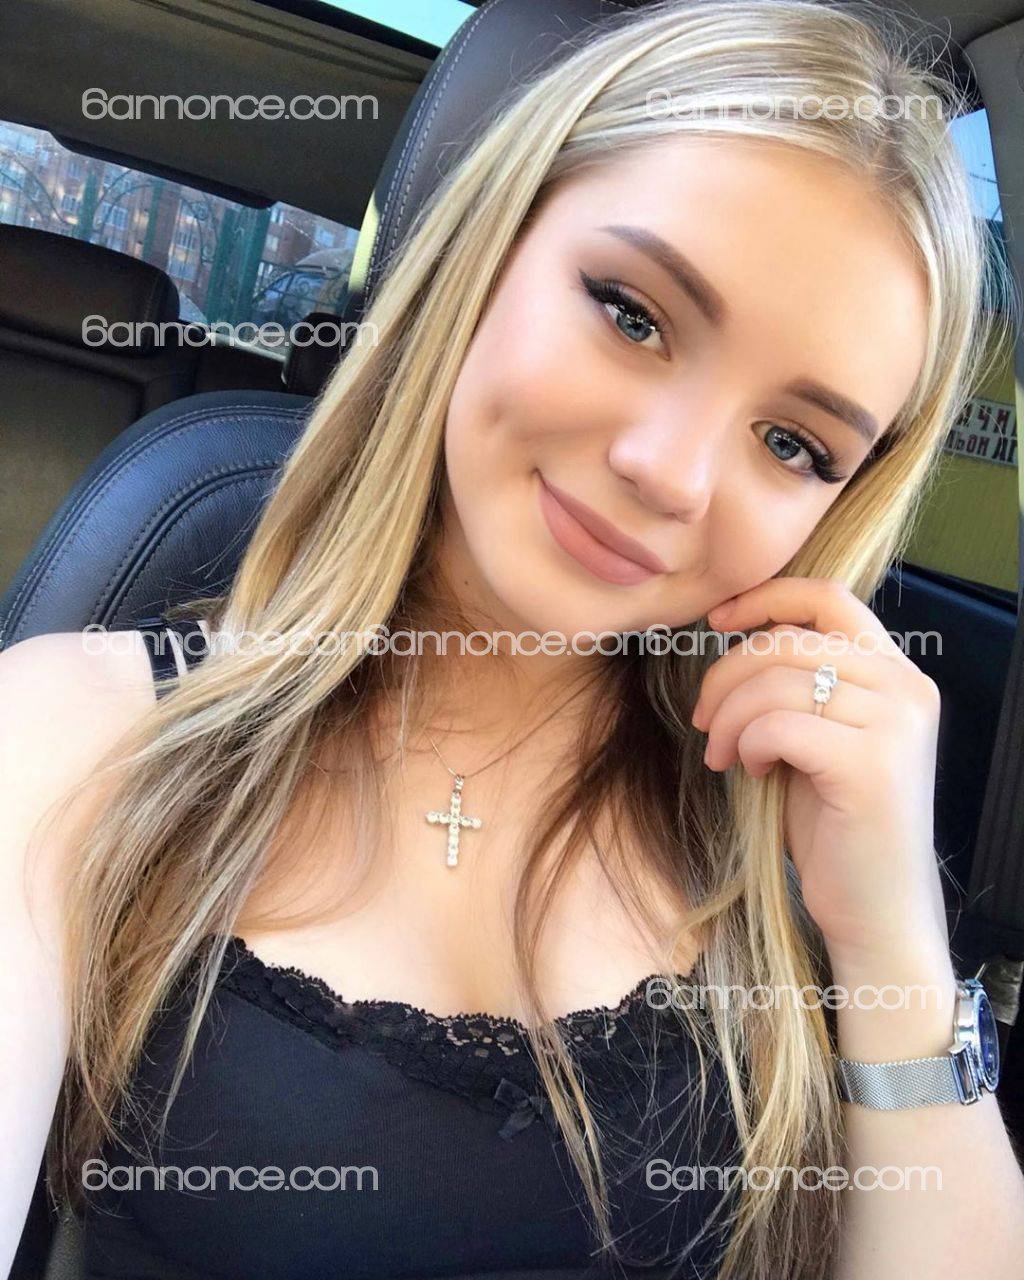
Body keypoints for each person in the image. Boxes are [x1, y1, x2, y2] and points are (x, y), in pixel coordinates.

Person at [4, 0, 1024, 1276]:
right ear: (484, 253)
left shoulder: (803, 846)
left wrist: (893, 946)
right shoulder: (70, 741)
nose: (668, 473)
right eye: (632, 313)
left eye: (791, 444)